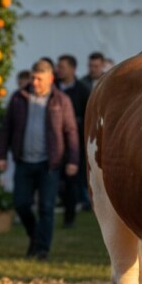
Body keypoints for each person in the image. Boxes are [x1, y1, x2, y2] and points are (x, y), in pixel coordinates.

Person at [0, 59, 79, 261]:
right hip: (23, 161)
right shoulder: (18, 98)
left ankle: (43, 249)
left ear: (50, 78)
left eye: (39, 79)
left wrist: (73, 160)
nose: (35, 82)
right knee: (21, 203)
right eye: (33, 78)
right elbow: (6, 128)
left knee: (46, 207)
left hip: (49, 163)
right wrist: (1, 155)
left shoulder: (61, 100)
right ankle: (34, 234)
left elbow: (70, 131)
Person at [55, 54, 91, 227]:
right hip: (54, 141)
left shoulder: (83, 90)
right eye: (58, 67)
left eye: (62, 67)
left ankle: (69, 218)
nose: (58, 70)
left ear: (72, 69)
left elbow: (89, 116)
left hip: (73, 142)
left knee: (72, 182)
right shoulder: (53, 87)